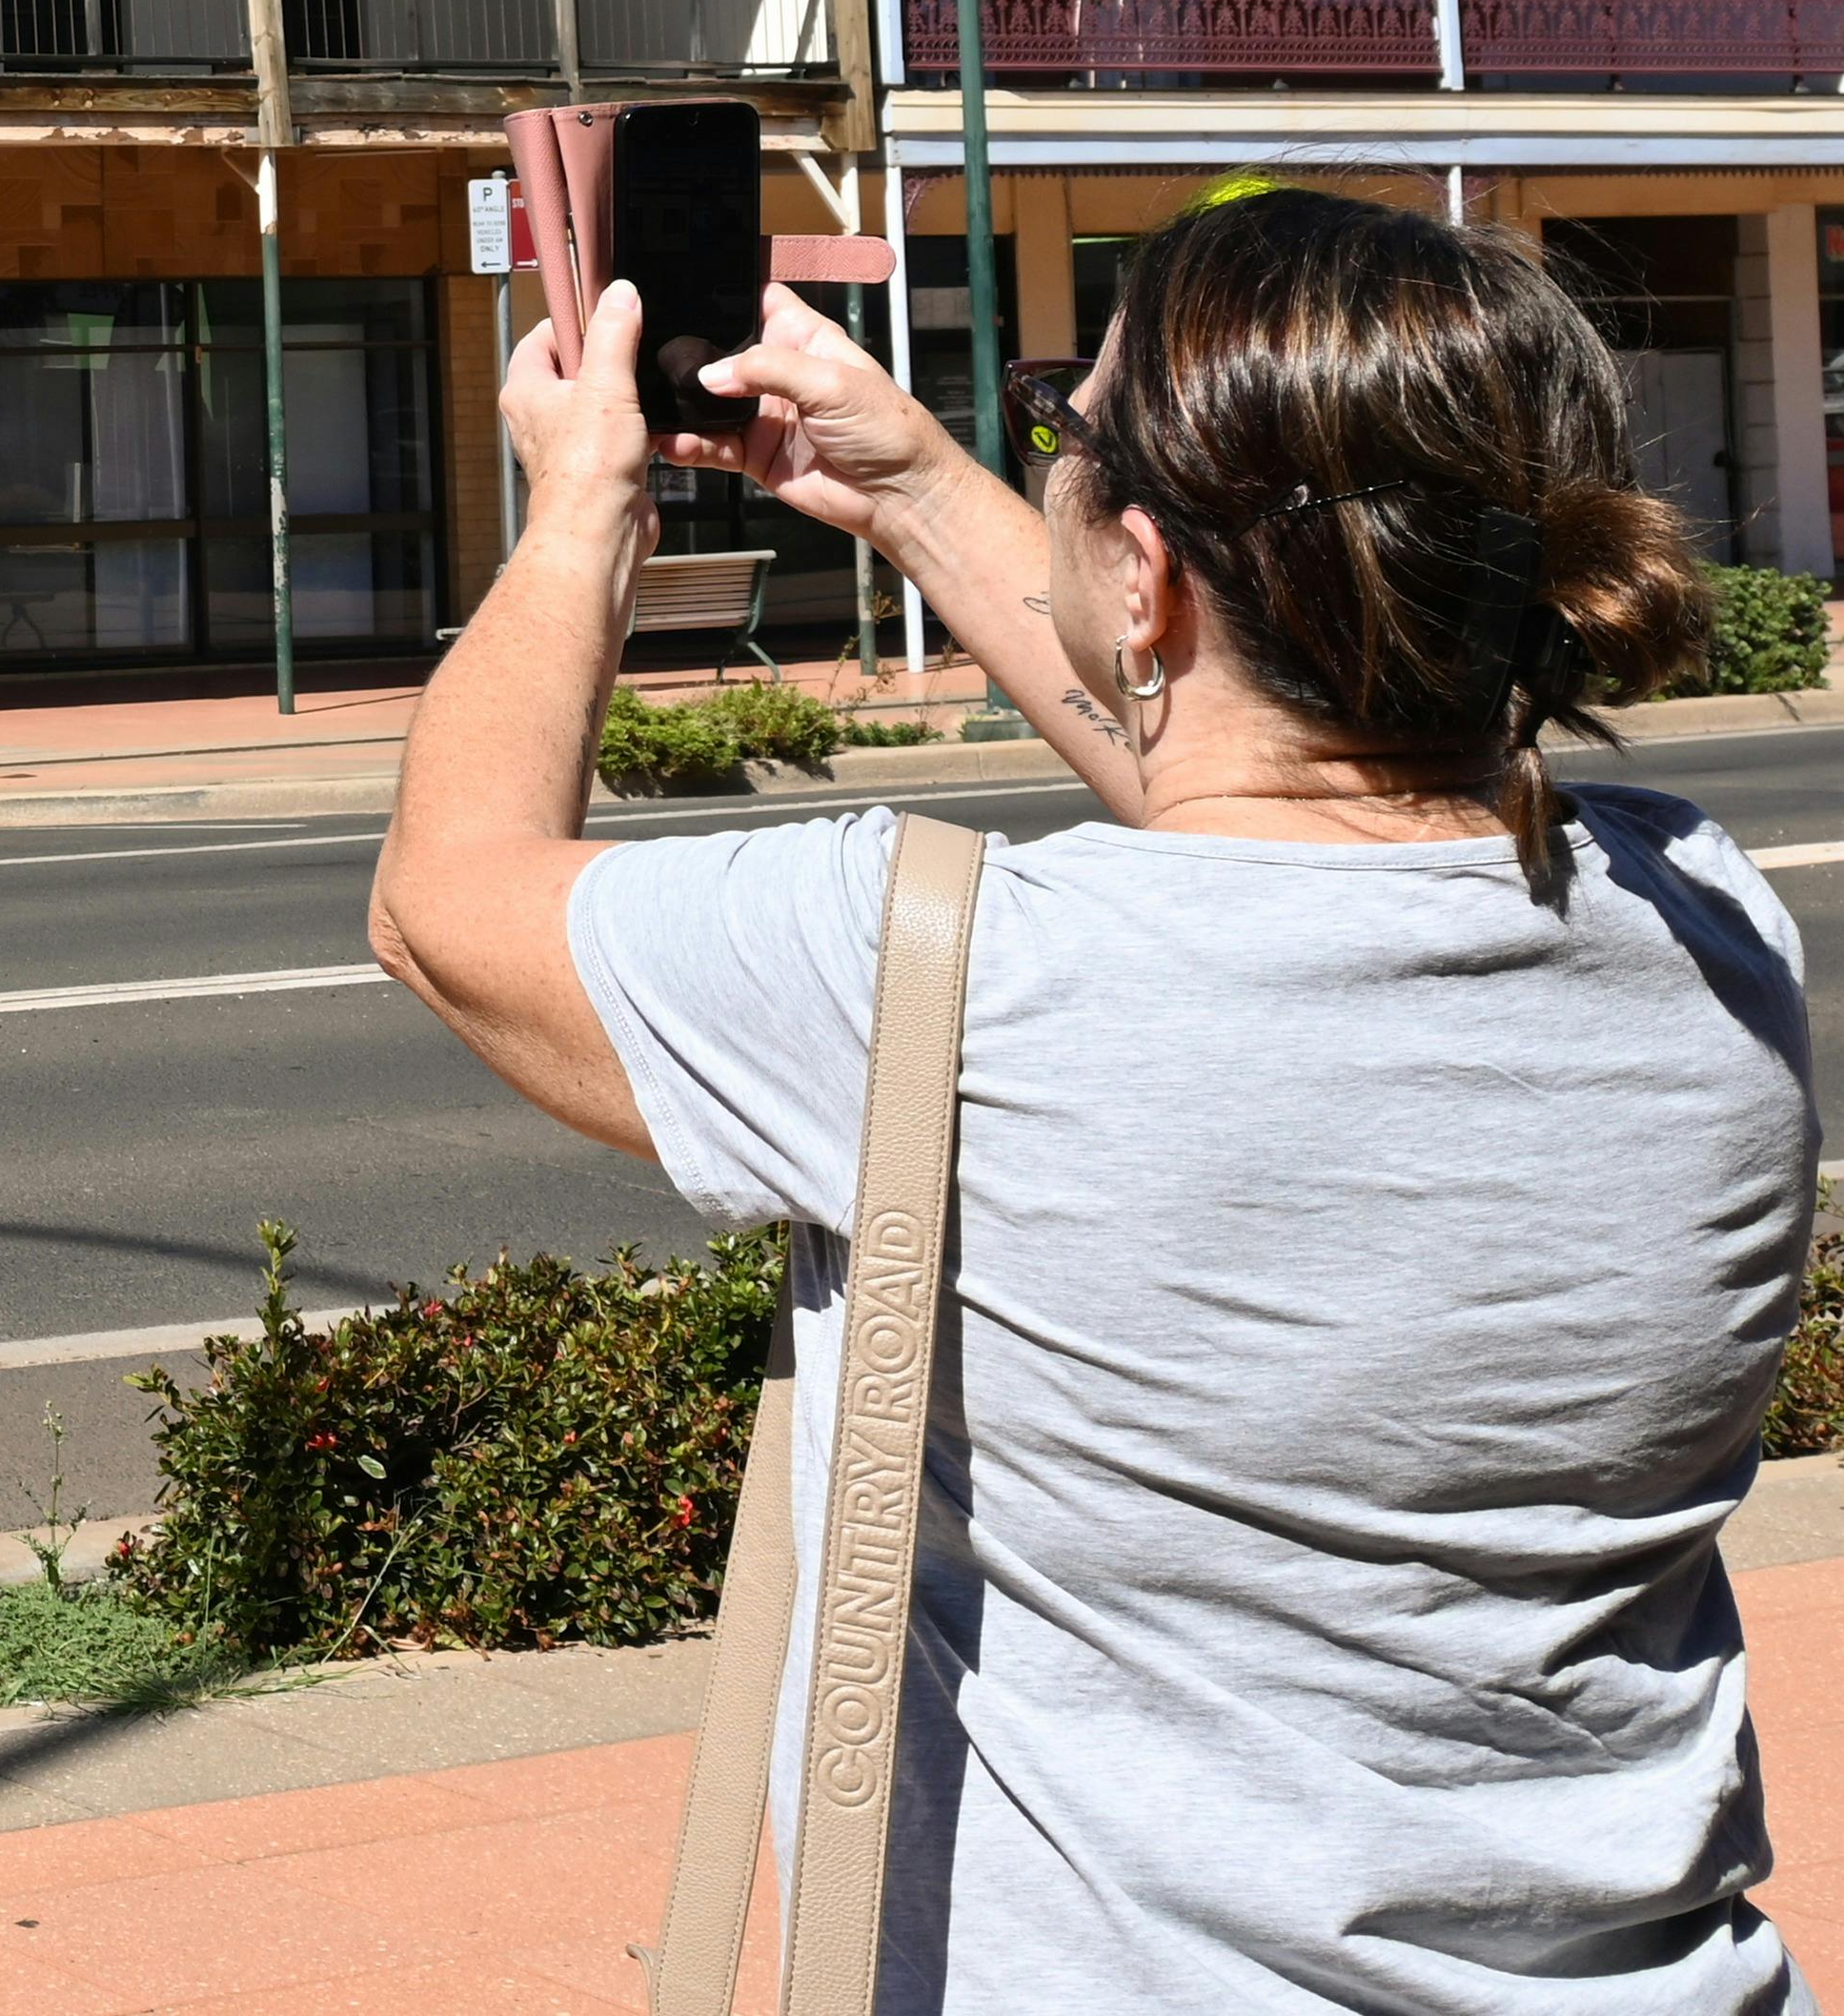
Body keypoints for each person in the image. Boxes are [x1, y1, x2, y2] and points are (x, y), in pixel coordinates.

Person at [370, 188, 1814, 2008]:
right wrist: (906, 482)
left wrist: (581, 500)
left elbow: (448, 900)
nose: (1038, 453)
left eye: (1066, 423)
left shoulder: (959, 983)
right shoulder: (1702, 921)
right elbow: (1279, 796)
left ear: (1141, 574)